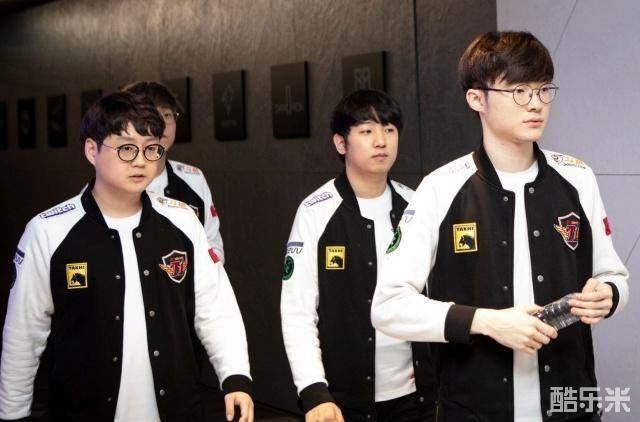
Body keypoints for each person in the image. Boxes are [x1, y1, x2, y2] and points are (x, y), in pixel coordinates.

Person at [371, 31, 629, 422]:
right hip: (475, 408)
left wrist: (608, 294)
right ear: (477, 99)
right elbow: (388, 306)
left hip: (570, 403)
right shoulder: (441, 188)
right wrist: (487, 322)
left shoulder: (578, 178)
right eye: (519, 91)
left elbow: (615, 276)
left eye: (543, 90)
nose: (536, 104)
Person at [0, 92, 253, 422]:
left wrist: (235, 376)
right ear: (92, 150)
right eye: (126, 148)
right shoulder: (48, 231)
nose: (140, 161)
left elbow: (215, 306)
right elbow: (23, 335)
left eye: (151, 148)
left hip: (178, 409)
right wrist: (13, 413)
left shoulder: (182, 220)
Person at [281, 89, 436, 422]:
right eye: (367, 131)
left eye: (389, 130)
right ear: (341, 143)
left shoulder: (416, 206)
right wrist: (313, 391)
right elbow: (297, 312)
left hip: (416, 395)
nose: (381, 141)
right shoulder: (315, 211)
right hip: (343, 398)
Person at [123, 81, 225, 264]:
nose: (161, 124)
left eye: (168, 115)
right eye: (152, 115)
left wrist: (199, 276)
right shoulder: (110, 184)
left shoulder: (193, 178)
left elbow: (212, 241)